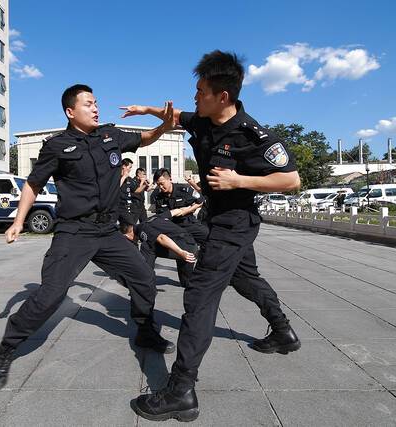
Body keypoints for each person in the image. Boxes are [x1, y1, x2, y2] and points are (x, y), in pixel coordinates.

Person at [121, 50, 302, 421]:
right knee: (246, 279)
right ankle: (283, 332)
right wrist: (147, 110)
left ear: (223, 96)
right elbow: (176, 117)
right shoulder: (205, 121)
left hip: (234, 225)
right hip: (218, 221)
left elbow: (291, 180)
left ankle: (181, 390)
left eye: (201, 91)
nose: (195, 97)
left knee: (200, 297)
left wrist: (240, 180)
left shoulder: (253, 134)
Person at [0, 84, 177, 391]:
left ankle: (144, 329)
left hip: (108, 231)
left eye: (96, 102)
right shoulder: (56, 146)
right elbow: (33, 184)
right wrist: (18, 221)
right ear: (70, 112)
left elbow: (146, 138)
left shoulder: (111, 136)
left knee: (144, 277)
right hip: (74, 231)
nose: (96, 108)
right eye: (88, 104)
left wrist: (164, 126)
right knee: (51, 295)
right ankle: (7, 347)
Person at [120, 215, 197, 288]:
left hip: (184, 251)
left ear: (126, 236)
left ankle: (145, 280)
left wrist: (181, 252)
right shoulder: (151, 219)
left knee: (147, 245)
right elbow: (175, 212)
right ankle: (191, 281)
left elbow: (162, 238)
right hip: (190, 244)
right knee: (187, 283)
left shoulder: (141, 229)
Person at [151, 168, 208, 245]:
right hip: (171, 227)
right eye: (158, 185)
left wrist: (187, 210)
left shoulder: (184, 190)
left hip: (188, 223)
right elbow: (160, 216)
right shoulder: (158, 197)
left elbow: (200, 201)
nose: (160, 187)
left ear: (170, 179)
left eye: (162, 183)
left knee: (209, 237)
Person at [119, 158, 138, 224]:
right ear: (123, 166)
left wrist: (144, 184)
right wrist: (123, 177)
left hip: (126, 205)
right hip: (117, 205)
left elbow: (136, 190)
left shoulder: (129, 179)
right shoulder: (116, 176)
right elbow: (115, 188)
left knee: (128, 225)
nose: (130, 170)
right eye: (129, 167)